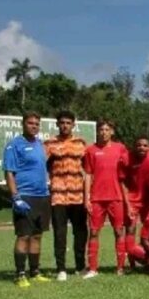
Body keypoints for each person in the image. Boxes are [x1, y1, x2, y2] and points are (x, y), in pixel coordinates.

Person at [4, 112, 52, 287]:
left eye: (37, 124)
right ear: (23, 124)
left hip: (42, 196)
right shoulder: (14, 145)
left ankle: (35, 272)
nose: (34, 126)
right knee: (24, 235)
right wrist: (16, 197)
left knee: (37, 236)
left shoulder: (40, 144)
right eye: (30, 123)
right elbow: (9, 172)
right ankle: (20, 274)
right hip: (25, 196)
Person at [82, 120, 130, 279]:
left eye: (106, 129)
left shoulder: (120, 148)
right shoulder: (91, 150)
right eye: (100, 129)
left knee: (118, 231)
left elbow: (129, 165)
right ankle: (93, 269)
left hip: (116, 197)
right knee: (94, 232)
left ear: (112, 132)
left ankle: (120, 268)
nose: (103, 132)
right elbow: (88, 174)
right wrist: (86, 197)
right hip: (96, 198)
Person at [44, 110, 87, 281]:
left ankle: (80, 266)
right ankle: (61, 268)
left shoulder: (81, 143)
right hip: (58, 196)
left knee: (80, 232)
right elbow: (43, 166)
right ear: (57, 124)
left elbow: (88, 168)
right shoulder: (49, 144)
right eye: (62, 122)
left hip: (78, 195)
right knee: (60, 233)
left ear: (73, 124)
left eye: (68, 123)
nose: (65, 125)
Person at [122, 135, 149, 274]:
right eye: (139, 145)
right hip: (132, 199)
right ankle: (132, 262)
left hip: (148, 200)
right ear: (134, 146)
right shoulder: (127, 158)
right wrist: (127, 204)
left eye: (145, 145)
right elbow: (122, 181)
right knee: (130, 229)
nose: (142, 148)